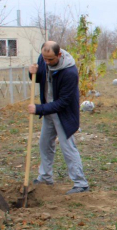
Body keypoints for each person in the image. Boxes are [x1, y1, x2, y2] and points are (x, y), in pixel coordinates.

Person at [28, 41, 89, 194]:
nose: (46, 62)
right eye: (44, 58)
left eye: (50, 60)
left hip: (63, 114)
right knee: (44, 144)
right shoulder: (43, 59)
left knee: (68, 147)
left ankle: (80, 183)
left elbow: (63, 102)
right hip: (49, 111)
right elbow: (39, 77)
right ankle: (45, 177)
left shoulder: (69, 72)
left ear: (59, 55)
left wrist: (38, 108)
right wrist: (32, 72)